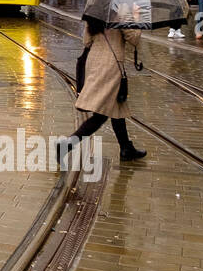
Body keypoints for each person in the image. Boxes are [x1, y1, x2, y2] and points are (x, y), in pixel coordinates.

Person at [56, 19, 146, 164]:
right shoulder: (120, 13)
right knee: (101, 115)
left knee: (117, 108)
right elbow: (134, 39)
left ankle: (126, 148)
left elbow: (86, 41)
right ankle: (67, 144)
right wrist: (135, 19)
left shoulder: (95, 12)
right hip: (111, 67)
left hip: (95, 62)